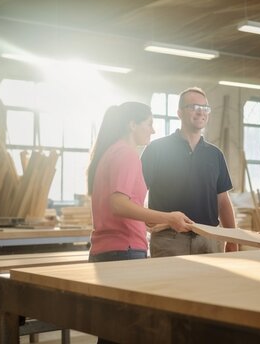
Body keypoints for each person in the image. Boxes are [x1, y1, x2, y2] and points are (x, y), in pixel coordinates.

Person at [87, 102, 193, 264]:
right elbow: (119, 205)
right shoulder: (127, 154)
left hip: (106, 249)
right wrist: (169, 218)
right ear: (132, 125)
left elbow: (117, 206)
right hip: (124, 248)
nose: (153, 130)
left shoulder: (110, 152)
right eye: (149, 124)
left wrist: (146, 220)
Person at [141, 87, 238, 257]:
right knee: (169, 284)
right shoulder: (157, 149)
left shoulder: (215, 155)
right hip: (168, 240)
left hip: (210, 239)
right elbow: (137, 193)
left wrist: (232, 238)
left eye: (205, 108)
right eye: (193, 107)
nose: (201, 112)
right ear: (179, 113)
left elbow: (222, 200)